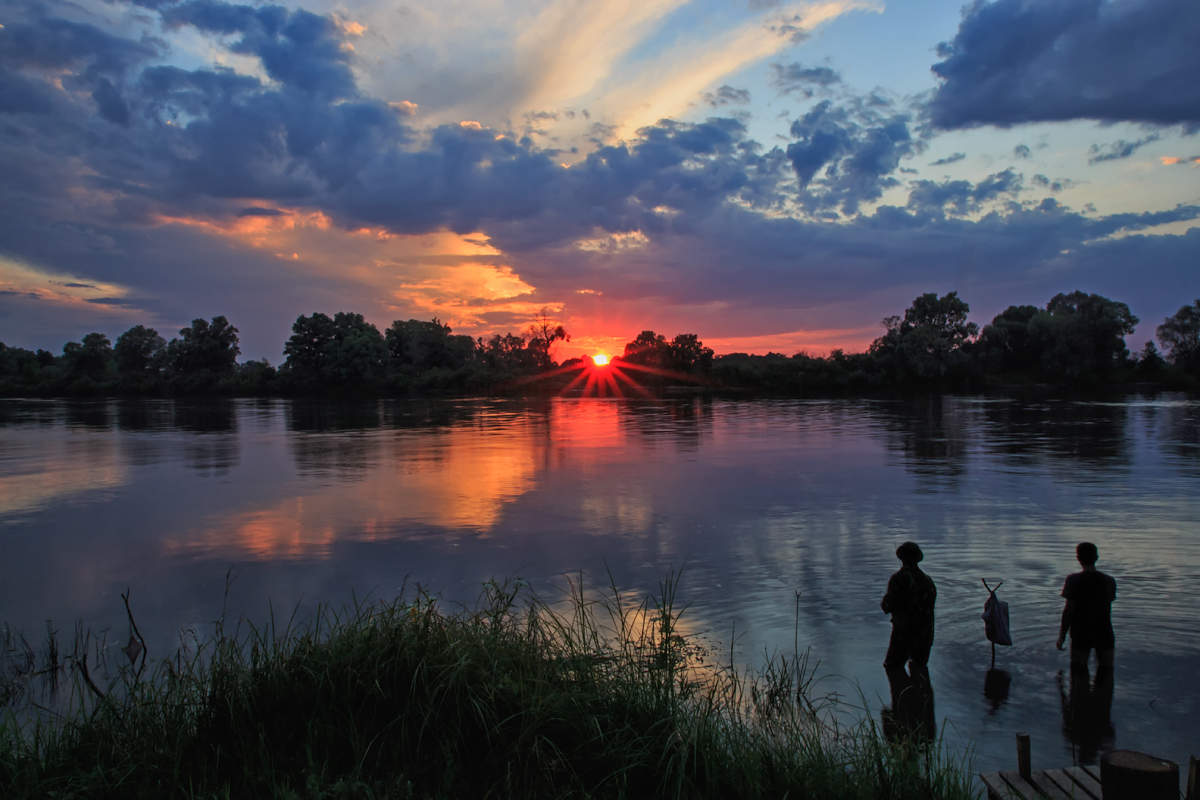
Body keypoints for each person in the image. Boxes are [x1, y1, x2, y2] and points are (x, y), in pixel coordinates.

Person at [1056, 542, 1117, 670]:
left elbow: (1068, 611)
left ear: (1078, 559)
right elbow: (1108, 608)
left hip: (1081, 632)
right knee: (1107, 671)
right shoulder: (1109, 580)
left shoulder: (1073, 580)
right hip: (1105, 631)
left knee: (1078, 672)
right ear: (1096, 558)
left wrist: (1062, 636)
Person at [881, 541, 937, 669]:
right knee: (920, 670)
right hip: (926, 634)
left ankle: (903, 688)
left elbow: (887, 606)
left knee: (892, 667)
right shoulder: (928, 580)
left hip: (904, 635)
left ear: (901, 557)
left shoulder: (898, 578)